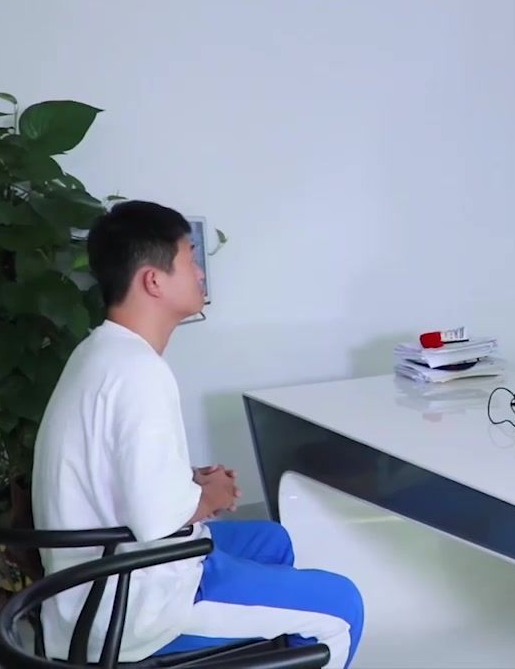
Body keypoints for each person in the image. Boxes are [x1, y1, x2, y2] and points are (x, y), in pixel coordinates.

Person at [32, 201, 363, 668]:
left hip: (95, 581)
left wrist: (187, 479)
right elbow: (157, 519)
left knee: (272, 542)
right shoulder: (138, 372)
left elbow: (116, 471)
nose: (201, 273)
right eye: (190, 258)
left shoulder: (100, 352)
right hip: (134, 603)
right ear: (153, 281)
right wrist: (209, 496)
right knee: (342, 607)